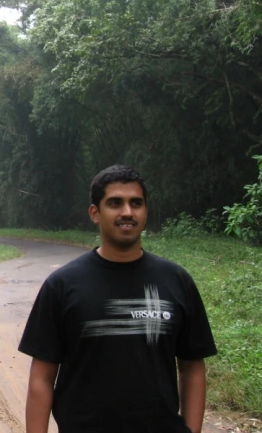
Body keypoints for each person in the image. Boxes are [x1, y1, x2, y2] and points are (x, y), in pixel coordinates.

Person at [18, 164, 217, 433]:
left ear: (146, 213)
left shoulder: (176, 281)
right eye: (115, 203)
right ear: (95, 213)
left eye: (136, 203)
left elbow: (192, 367)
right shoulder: (63, 285)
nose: (127, 212)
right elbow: (42, 377)